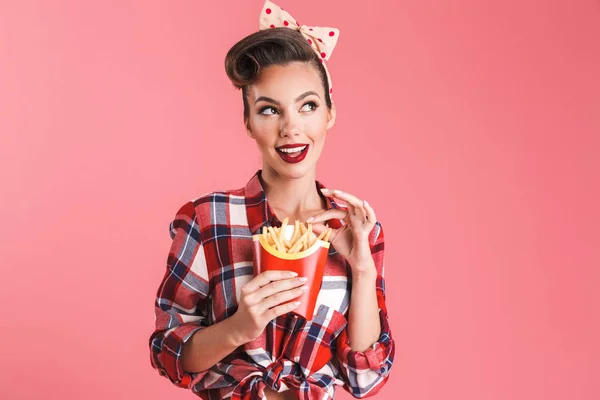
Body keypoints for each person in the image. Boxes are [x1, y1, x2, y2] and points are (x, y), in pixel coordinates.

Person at [148, 1, 395, 398]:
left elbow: (364, 378)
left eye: (308, 106)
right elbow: (169, 352)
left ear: (329, 113)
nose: (290, 128)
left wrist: (362, 269)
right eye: (269, 110)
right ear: (248, 122)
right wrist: (238, 328)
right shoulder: (207, 218)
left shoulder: (355, 229)